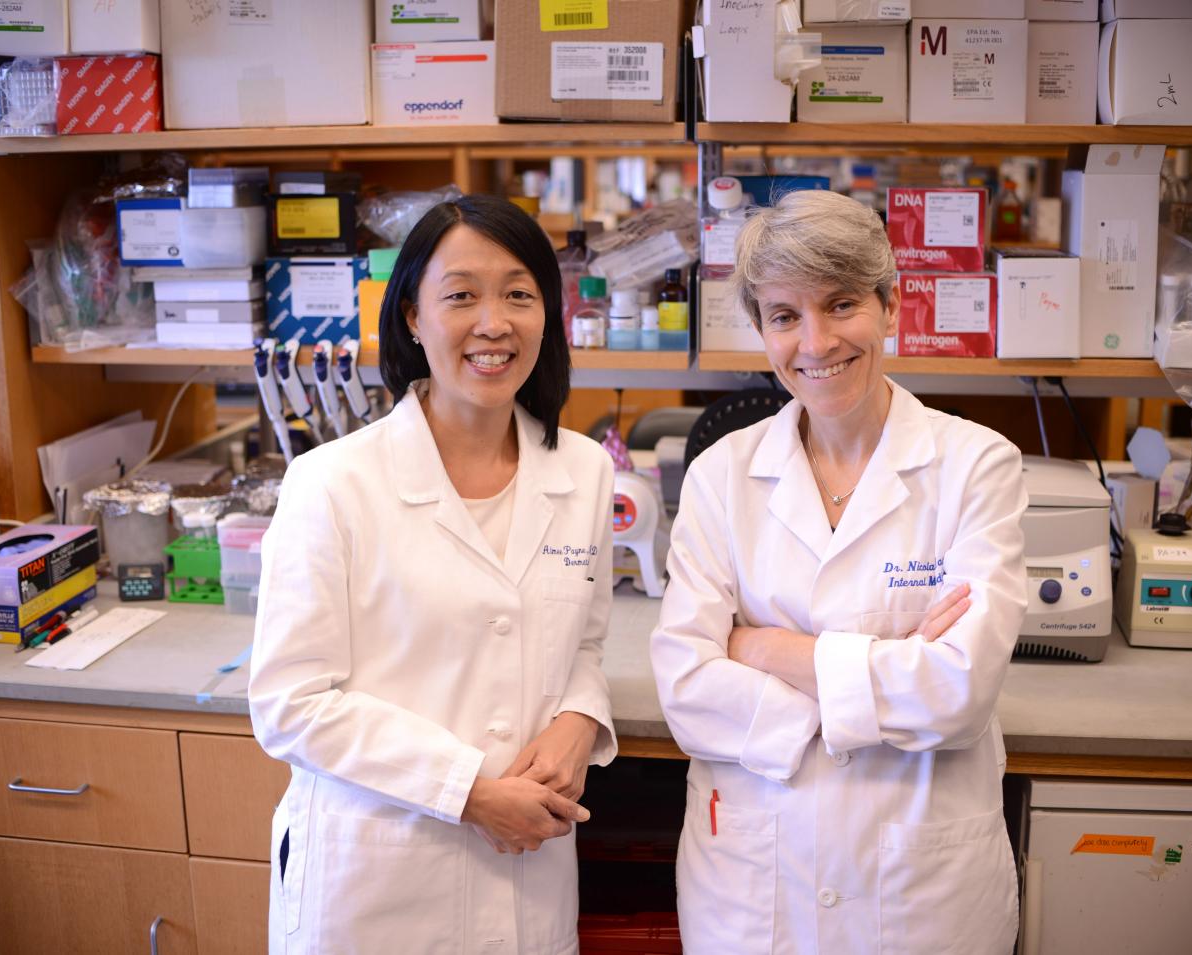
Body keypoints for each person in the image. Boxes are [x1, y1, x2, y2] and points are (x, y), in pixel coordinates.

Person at [650, 189, 1028, 954]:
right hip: (755, 888)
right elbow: (686, 689)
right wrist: (889, 675)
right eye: (784, 315)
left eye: (841, 303)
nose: (815, 341)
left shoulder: (975, 465)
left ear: (891, 305)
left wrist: (762, 648)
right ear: (761, 330)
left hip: (922, 895)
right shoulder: (722, 475)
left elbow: (959, 691)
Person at [250, 194, 617, 954]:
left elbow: (582, 643)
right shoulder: (332, 483)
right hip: (381, 877)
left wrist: (581, 722)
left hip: (528, 873)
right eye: (461, 296)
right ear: (413, 317)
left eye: (519, 295)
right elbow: (291, 703)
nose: (494, 323)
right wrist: (468, 791)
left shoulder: (583, 471)